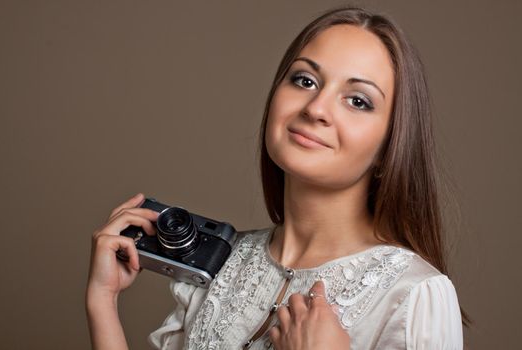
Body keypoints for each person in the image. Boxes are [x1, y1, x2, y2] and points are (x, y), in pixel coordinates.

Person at [86, 6, 468, 350]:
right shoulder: (221, 264)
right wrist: (103, 301)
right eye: (305, 80)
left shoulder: (416, 295)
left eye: (358, 100)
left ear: (390, 145)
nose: (316, 108)